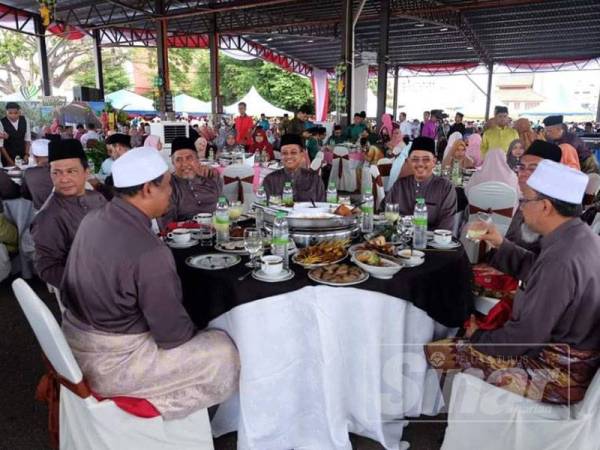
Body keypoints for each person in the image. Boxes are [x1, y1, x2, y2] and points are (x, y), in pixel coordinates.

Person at [60, 147, 239, 419]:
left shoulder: (93, 218)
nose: (171, 193)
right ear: (147, 189)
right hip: (113, 365)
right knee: (224, 349)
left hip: (74, 344)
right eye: (167, 186)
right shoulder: (149, 251)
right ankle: (171, 421)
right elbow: (173, 336)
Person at [426, 160, 600, 405]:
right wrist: (499, 243)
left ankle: (464, 429)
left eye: (525, 201)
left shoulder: (561, 260)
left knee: (438, 352)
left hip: (559, 371)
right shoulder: (579, 237)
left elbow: (526, 337)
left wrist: (477, 338)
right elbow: (537, 270)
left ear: (546, 206)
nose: (521, 207)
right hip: (570, 353)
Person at [30, 139, 107, 288]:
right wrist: (88, 285)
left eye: (71, 171)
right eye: (56, 173)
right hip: (89, 292)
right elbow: (47, 268)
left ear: (86, 172)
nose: (64, 179)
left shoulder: (96, 198)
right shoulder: (48, 217)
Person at [498, 140, 563, 254]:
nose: (523, 173)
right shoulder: (528, 199)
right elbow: (513, 241)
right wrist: (497, 241)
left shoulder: (556, 208)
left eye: (533, 169)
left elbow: (545, 263)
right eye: (522, 168)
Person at [384, 136, 456, 229]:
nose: (420, 164)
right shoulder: (399, 186)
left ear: (434, 161)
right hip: (400, 239)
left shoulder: (445, 188)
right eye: (415, 159)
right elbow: (386, 217)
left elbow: (446, 227)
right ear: (409, 161)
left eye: (426, 159)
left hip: (432, 242)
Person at [159, 137, 222, 226]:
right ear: (173, 163)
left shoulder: (210, 177)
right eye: (179, 159)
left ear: (197, 159)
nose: (184, 164)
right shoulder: (169, 186)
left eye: (189, 158)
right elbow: (167, 225)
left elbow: (224, 209)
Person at [262, 133, 325, 202]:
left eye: (293, 152)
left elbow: (322, 207)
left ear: (301, 155)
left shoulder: (315, 180)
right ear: (281, 156)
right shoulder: (270, 180)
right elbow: (264, 208)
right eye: (285, 153)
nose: (289, 156)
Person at [21, 139, 53, 210]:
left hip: (40, 213)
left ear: (35, 157)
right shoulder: (62, 171)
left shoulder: (28, 173)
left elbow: (25, 195)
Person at [0, 102, 31, 166]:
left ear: (19, 112)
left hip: (23, 155)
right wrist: (10, 162)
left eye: (16, 113)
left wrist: (27, 154)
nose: (13, 115)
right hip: (8, 157)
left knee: (24, 174)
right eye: (10, 113)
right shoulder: (1, 123)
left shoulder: (25, 120)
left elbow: (27, 139)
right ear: (6, 112)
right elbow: (1, 146)